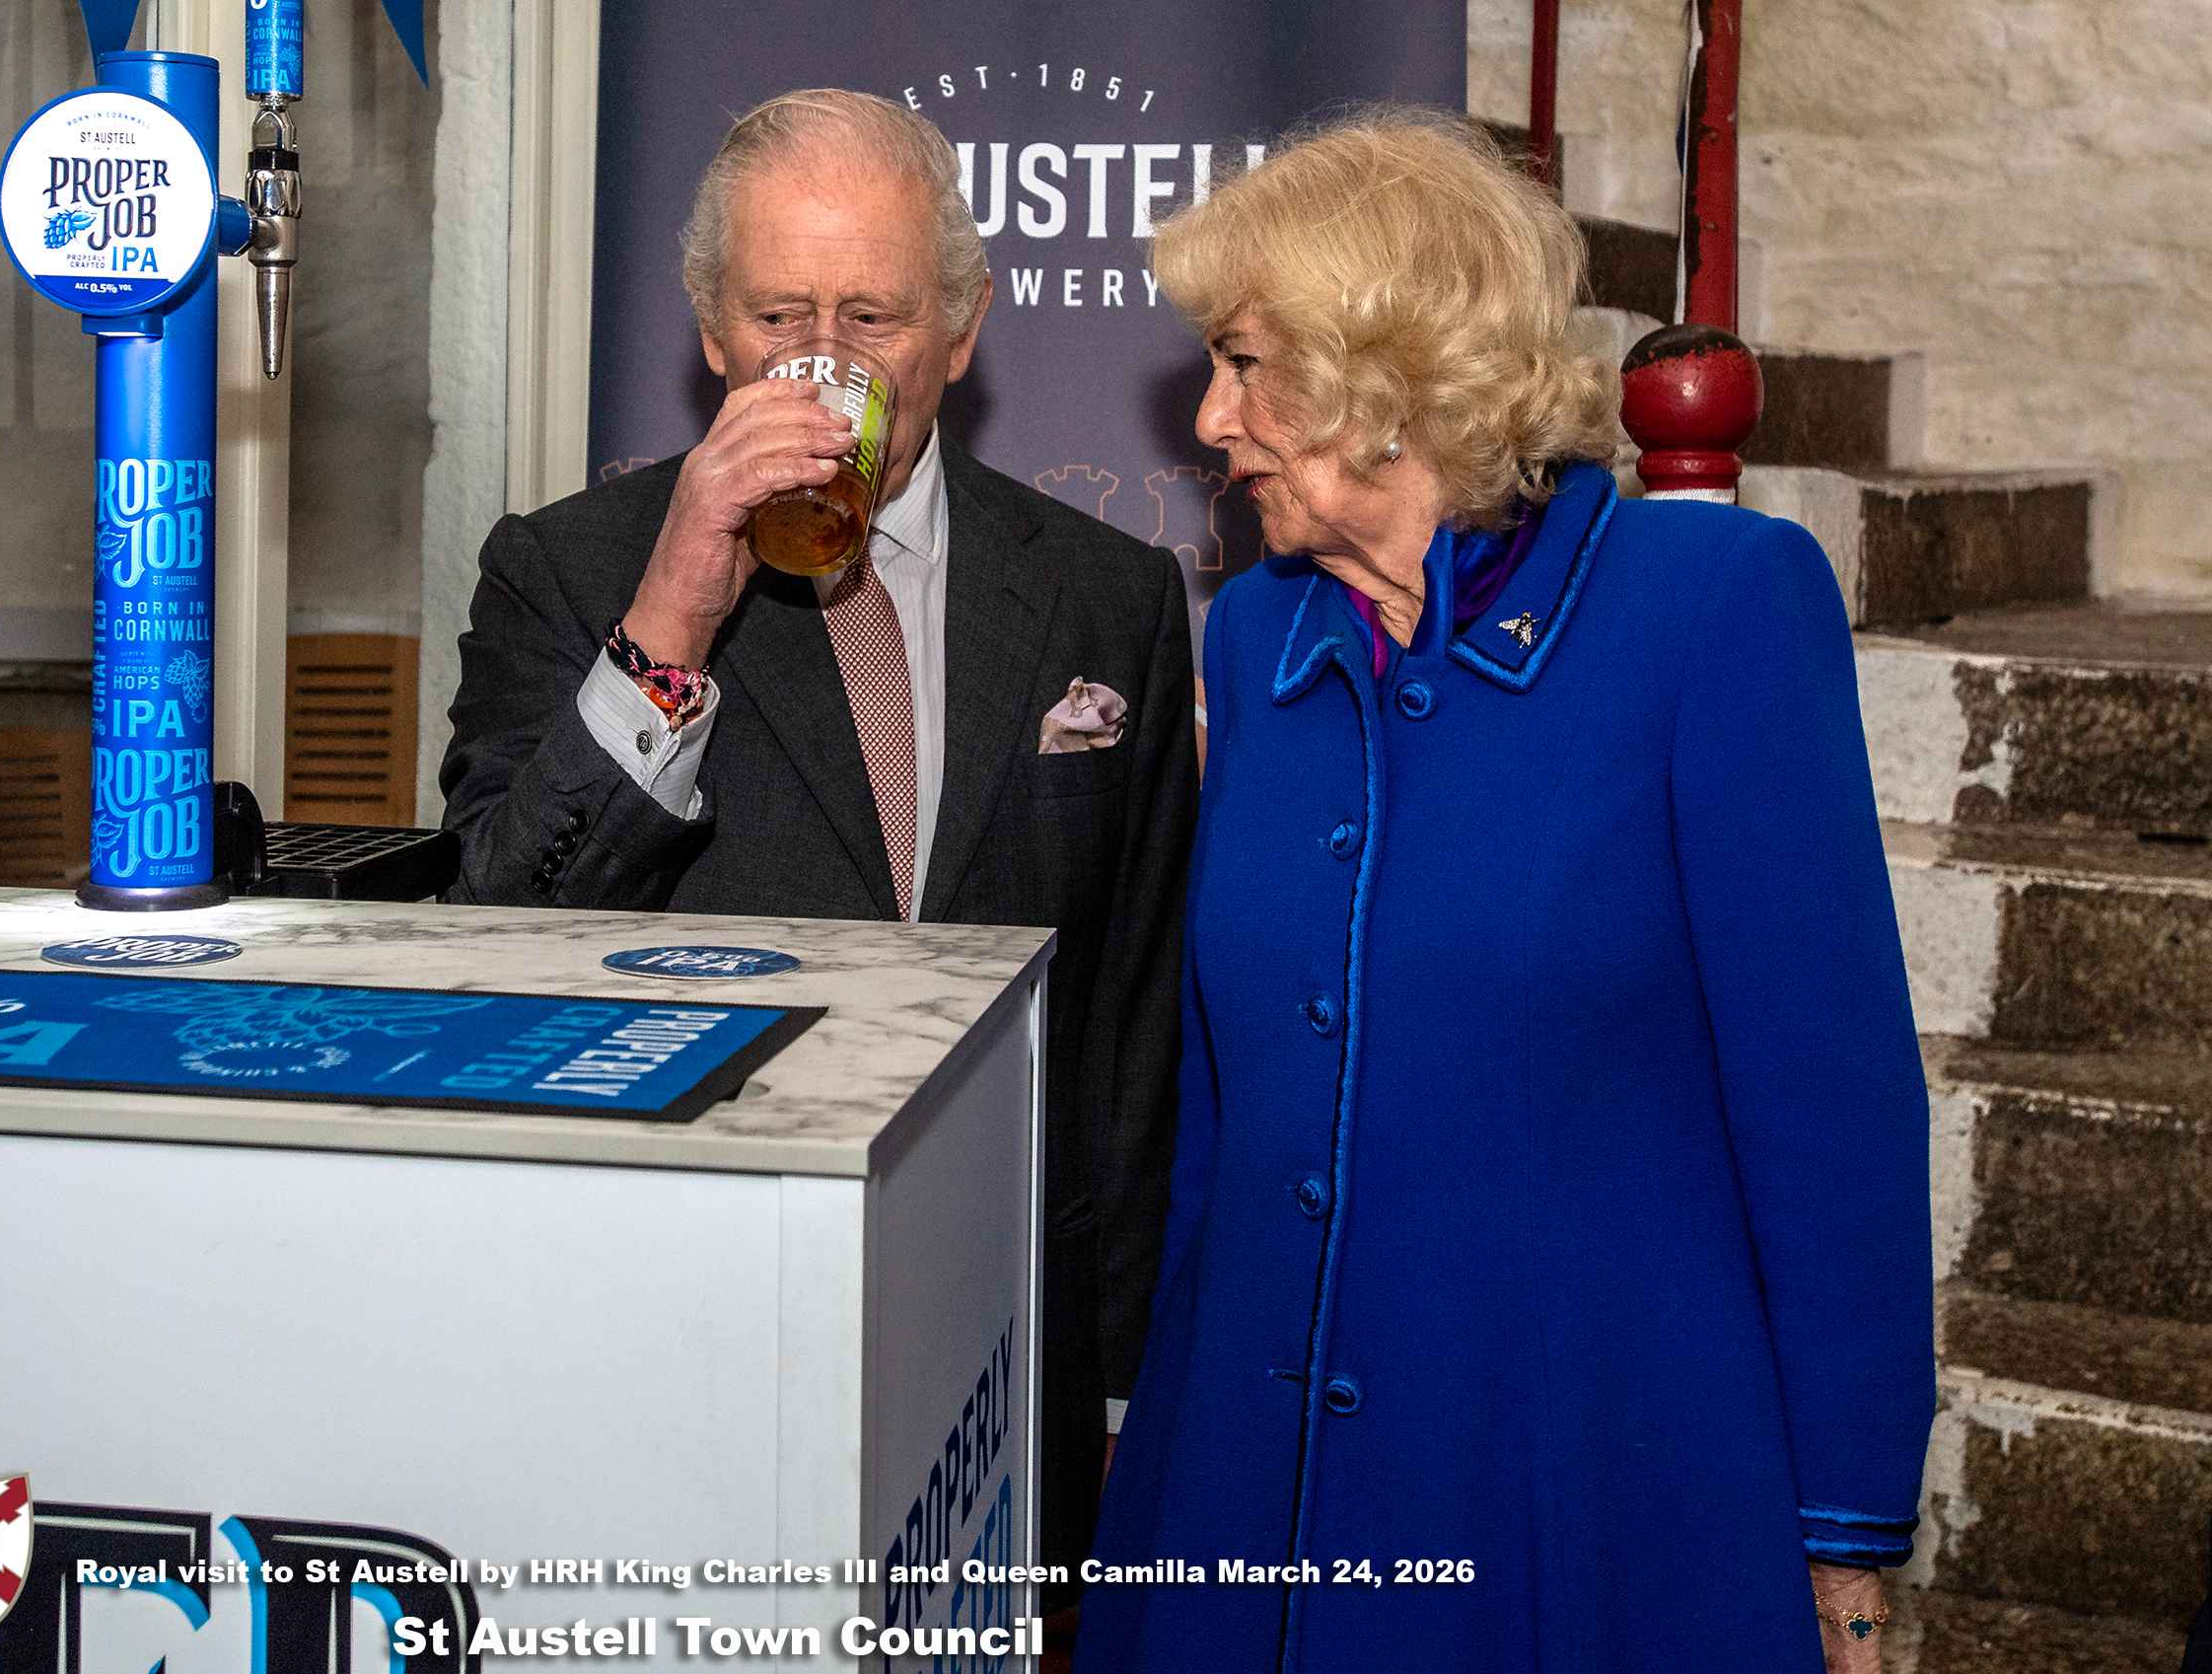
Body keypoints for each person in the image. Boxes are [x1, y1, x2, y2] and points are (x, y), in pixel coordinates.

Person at [1076, 112, 1933, 1674]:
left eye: (1249, 363)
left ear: (1387, 377)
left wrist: (1846, 1543)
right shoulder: (1256, 640)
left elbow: (1835, 1121)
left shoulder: (1714, 615)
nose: (1211, 417)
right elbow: (1224, 1106)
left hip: (1584, 1501)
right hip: (1240, 1505)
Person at [439, 89, 1198, 1584]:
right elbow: (499, 934)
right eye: (781, 311)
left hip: (1002, 1355)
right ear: (712, 331)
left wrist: (1119, 1382)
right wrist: (672, 615)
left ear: (965, 329)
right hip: (682, 1336)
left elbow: (1135, 1028)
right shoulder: (566, 570)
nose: (825, 361)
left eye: (875, 313)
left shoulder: (1109, 597)